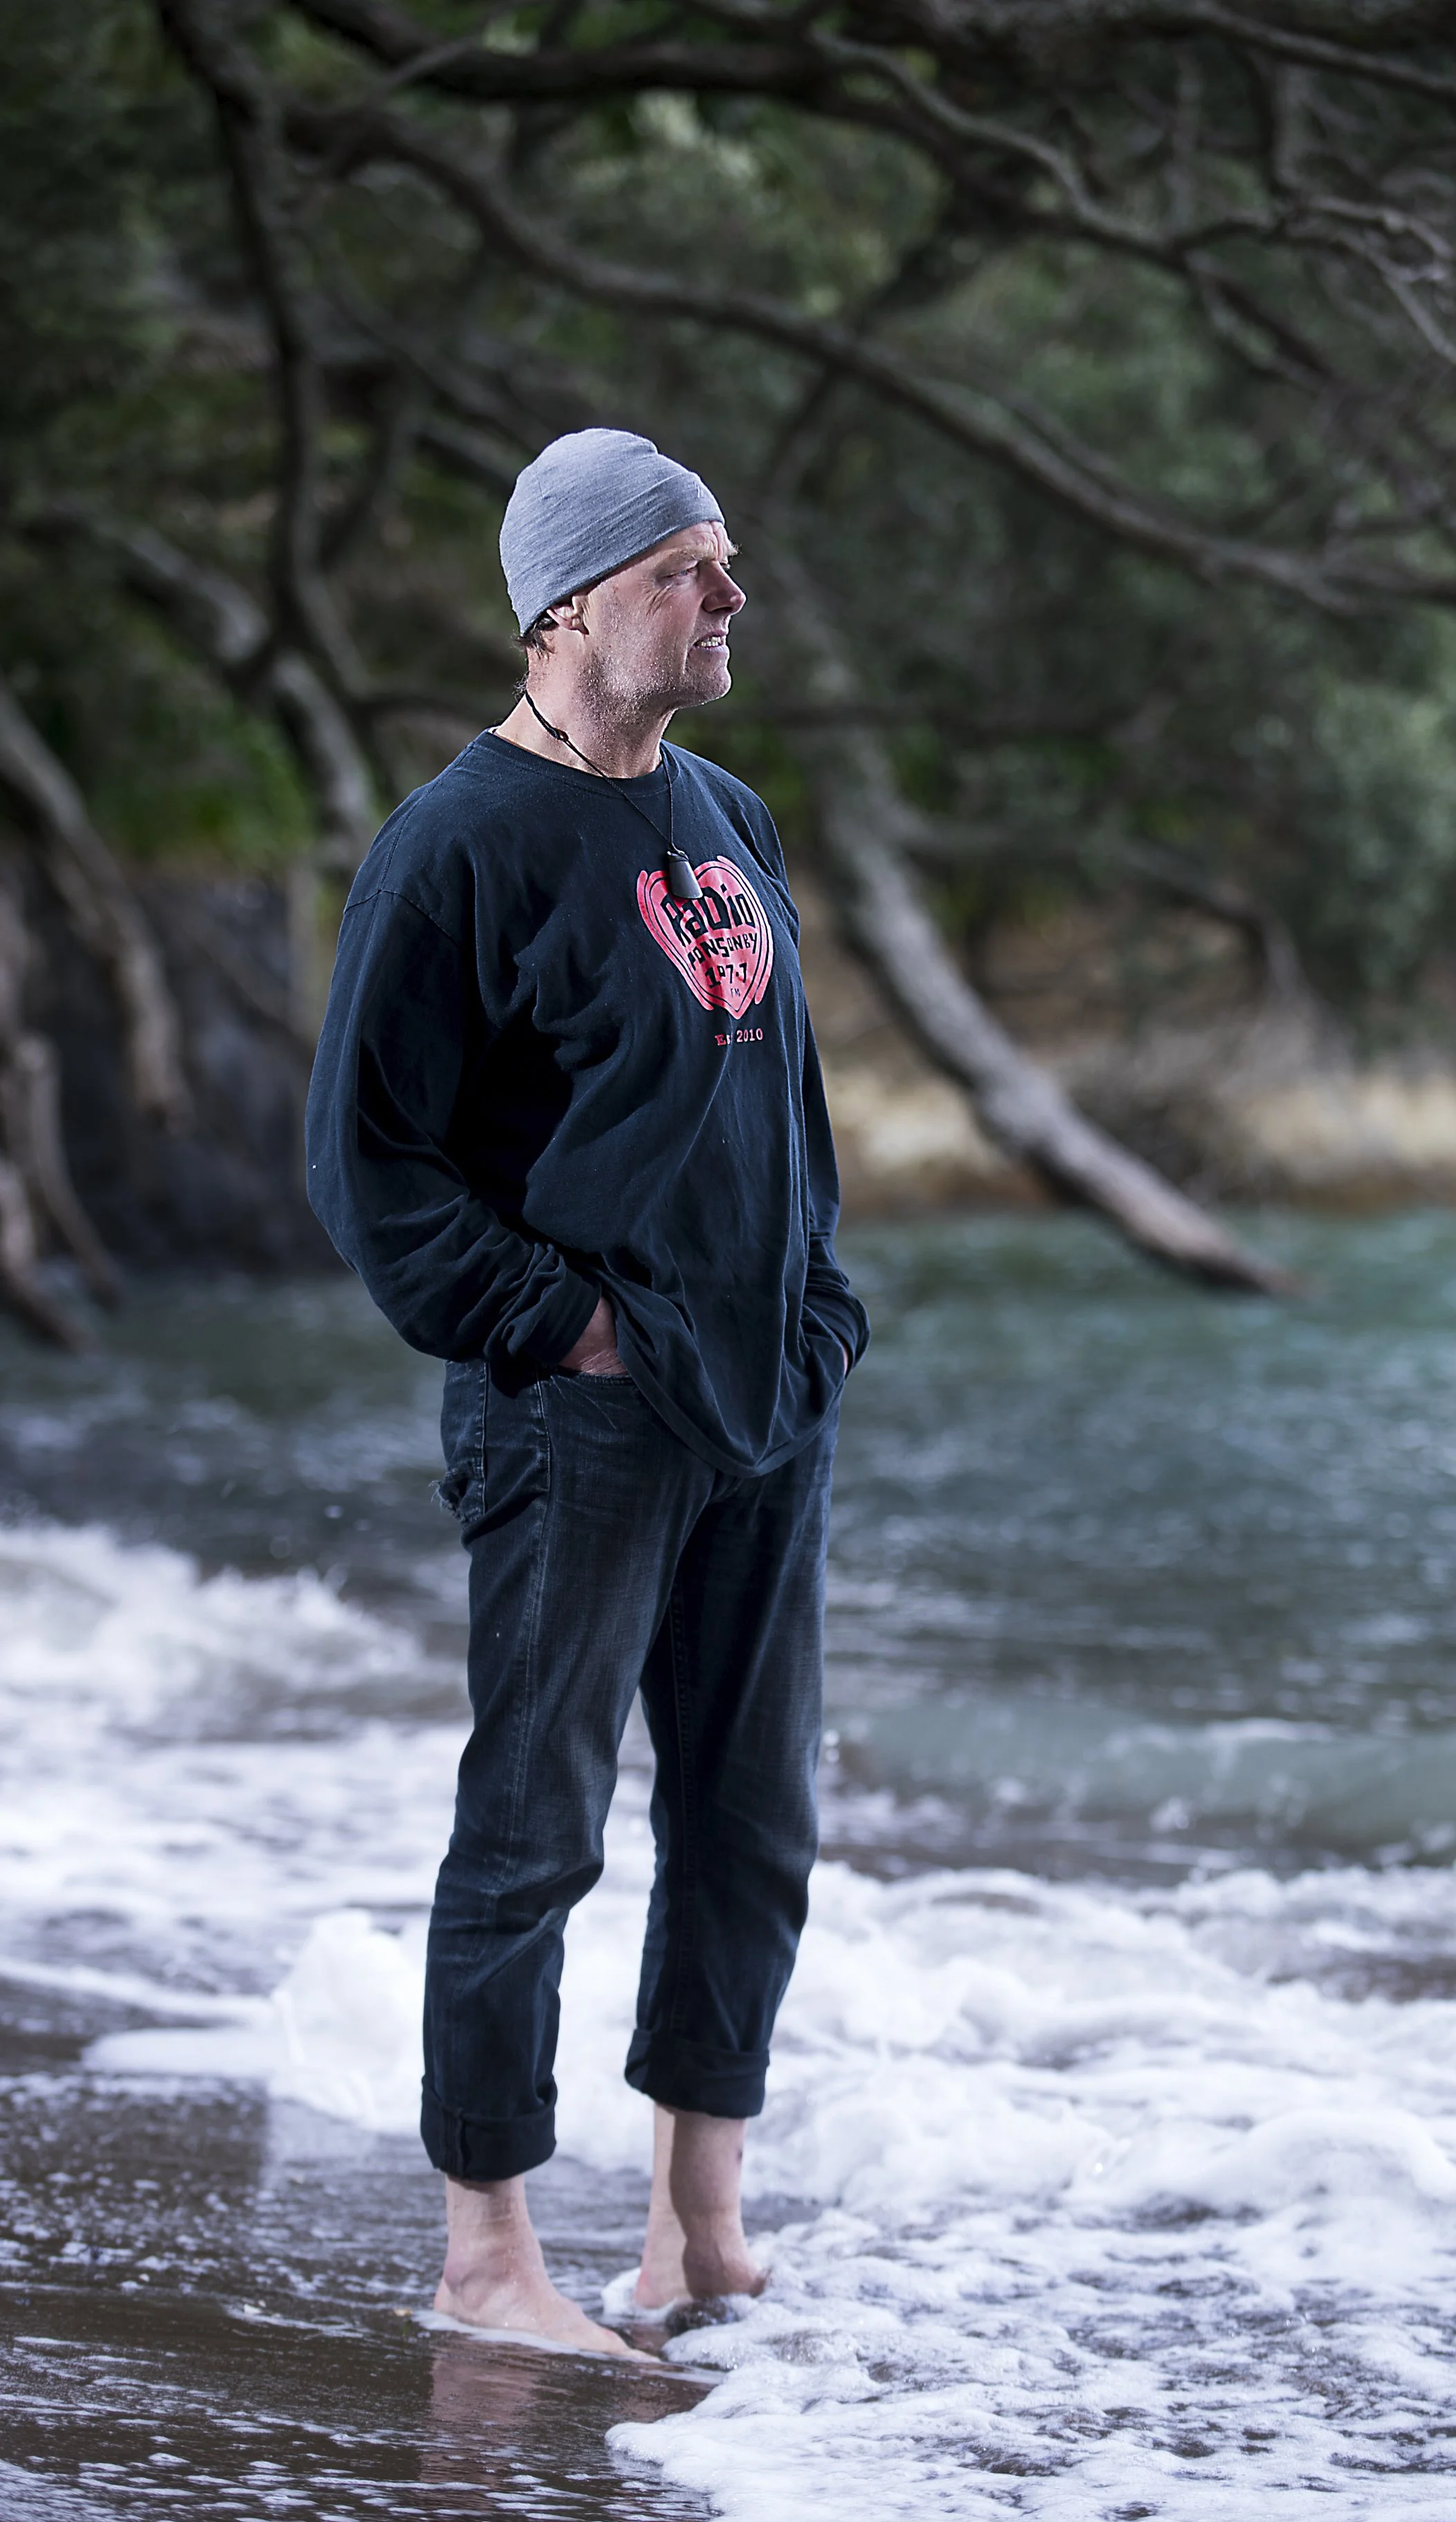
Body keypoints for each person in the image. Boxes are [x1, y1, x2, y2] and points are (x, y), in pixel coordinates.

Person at [306, 427, 867, 2358]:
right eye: (686, 569)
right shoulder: (455, 846)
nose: (730, 599)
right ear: (569, 604)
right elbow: (368, 1164)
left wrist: (819, 1309)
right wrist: (570, 1328)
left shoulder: (725, 812)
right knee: (535, 1829)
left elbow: (780, 1100)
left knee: (750, 1815)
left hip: (763, 1400)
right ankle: (486, 2259)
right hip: (579, 1417)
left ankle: (696, 2229)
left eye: (726, 564)